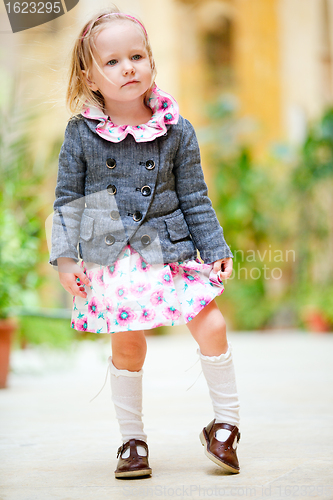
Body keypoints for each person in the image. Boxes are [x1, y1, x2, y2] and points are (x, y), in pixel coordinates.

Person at [50, 7, 241, 479]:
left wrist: (215, 248)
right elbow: (68, 197)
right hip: (110, 252)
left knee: (212, 325)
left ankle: (227, 426)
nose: (127, 67)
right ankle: (132, 442)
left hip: (171, 247)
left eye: (136, 56)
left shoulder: (176, 130)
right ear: (89, 75)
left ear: (151, 62)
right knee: (129, 345)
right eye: (112, 61)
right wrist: (66, 257)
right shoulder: (81, 133)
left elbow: (195, 196)